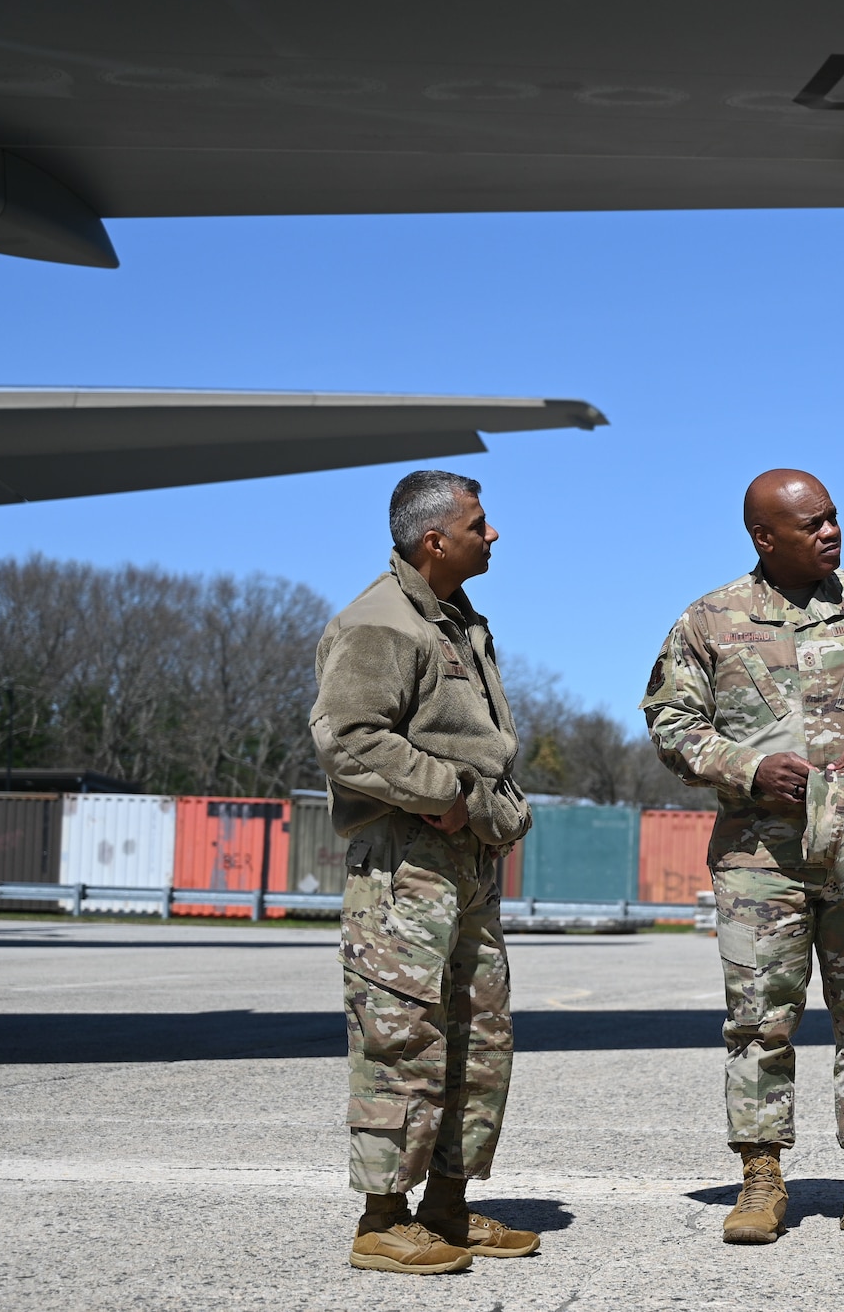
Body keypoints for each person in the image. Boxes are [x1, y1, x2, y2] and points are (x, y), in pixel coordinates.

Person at [642, 468, 844, 1246]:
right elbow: (670, 719)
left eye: (834, 517)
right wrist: (746, 767)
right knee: (758, 1023)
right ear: (763, 537)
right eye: (811, 524)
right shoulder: (710, 620)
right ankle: (760, 1177)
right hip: (759, 858)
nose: (830, 532)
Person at [310, 469, 540, 1274]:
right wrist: (444, 794)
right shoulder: (382, 622)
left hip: (464, 860)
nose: (494, 533)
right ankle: (381, 1218)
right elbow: (348, 738)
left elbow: (476, 741)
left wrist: (493, 808)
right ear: (434, 539)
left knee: (477, 1036)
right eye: (480, 522)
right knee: (400, 1031)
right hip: (408, 861)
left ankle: (446, 1203)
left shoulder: (457, 622)